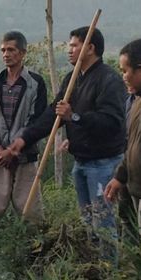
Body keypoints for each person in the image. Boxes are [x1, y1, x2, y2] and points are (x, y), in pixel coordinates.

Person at [8, 26, 126, 262]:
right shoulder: (73, 79)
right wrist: (25, 137)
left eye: (74, 45)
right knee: (88, 223)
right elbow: (54, 113)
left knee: (103, 223)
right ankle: (94, 266)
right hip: (81, 162)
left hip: (103, 164)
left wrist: (74, 116)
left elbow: (112, 123)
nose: (69, 50)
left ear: (90, 48)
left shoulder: (109, 79)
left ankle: (110, 270)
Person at [0, 31, 47, 227]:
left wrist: (15, 149)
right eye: (3, 50)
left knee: (30, 211)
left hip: (25, 156)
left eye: (11, 50)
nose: (6, 54)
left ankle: (34, 252)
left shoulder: (35, 83)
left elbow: (36, 119)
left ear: (22, 53)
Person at [105, 39, 141, 242]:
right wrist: (120, 176)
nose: (123, 77)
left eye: (125, 70)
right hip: (135, 187)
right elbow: (133, 145)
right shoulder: (136, 102)